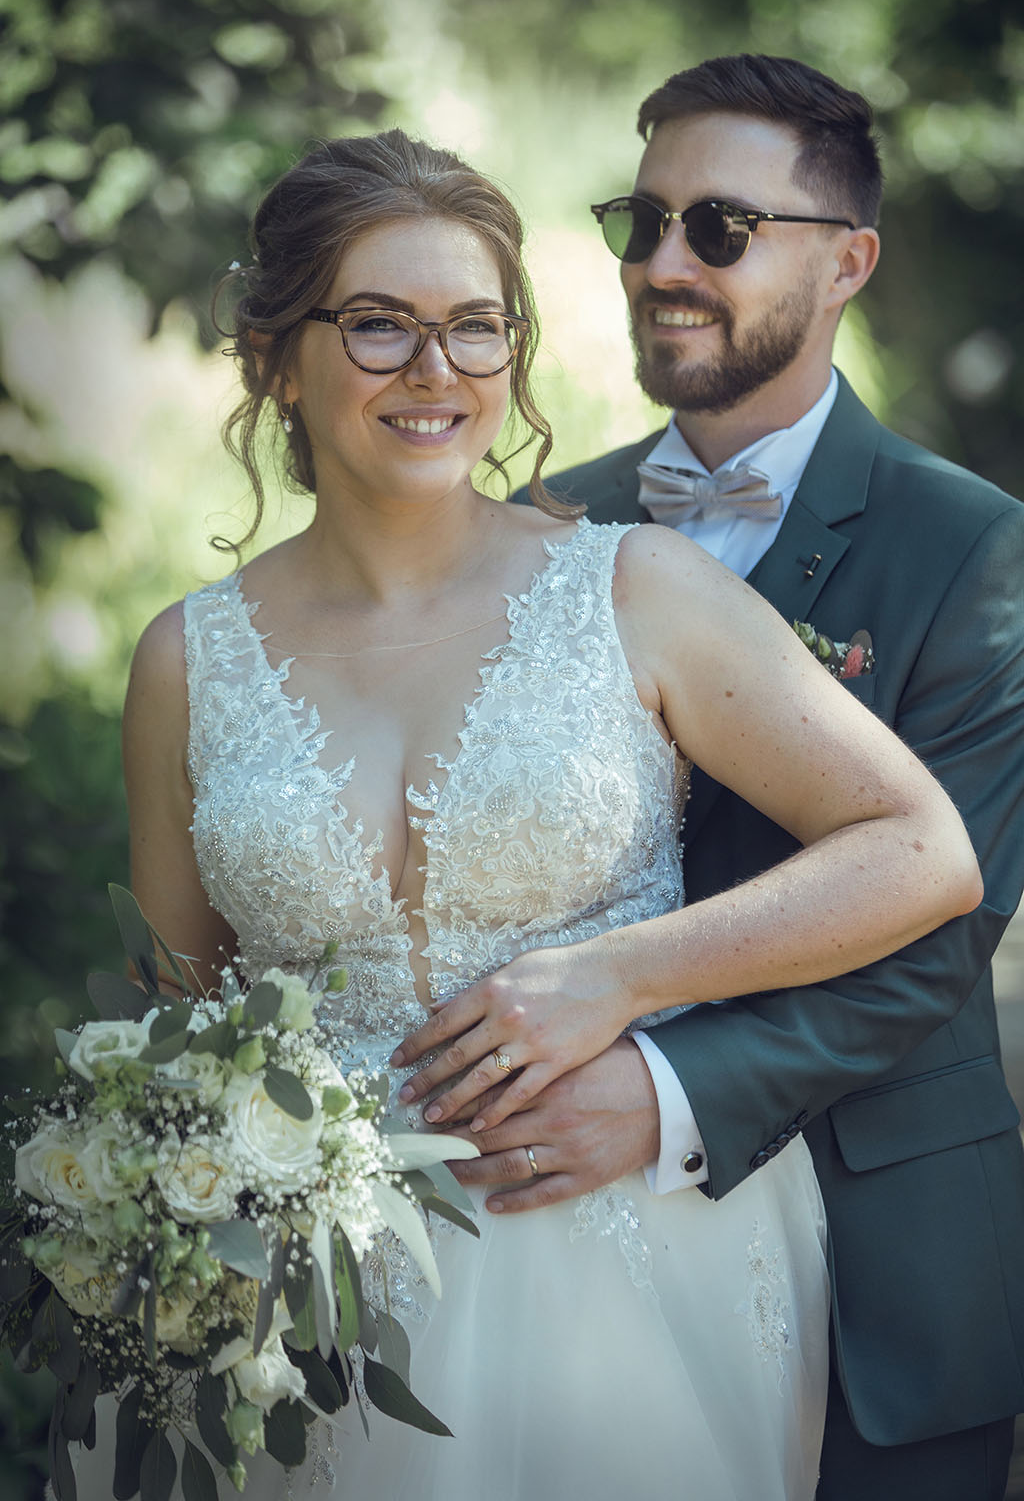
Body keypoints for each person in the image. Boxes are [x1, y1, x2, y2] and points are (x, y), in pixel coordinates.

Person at [79, 129, 981, 1501]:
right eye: (379, 326)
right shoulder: (183, 660)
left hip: (626, 1260)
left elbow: (921, 850)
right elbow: (178, 1011)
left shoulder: (640, 590)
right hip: (305, 1313)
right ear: (276, 352)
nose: (437, 371)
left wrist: (620, 975)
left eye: (475, 327)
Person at [424, 54, 1024, 1501]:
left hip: (886, 1264)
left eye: (721, 229)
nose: (662, 264)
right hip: (572, 1255)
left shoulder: (977, 553)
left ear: (848, 264)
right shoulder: (545, 528)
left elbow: (938, 942)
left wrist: (666, 1086)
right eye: (640, 223)